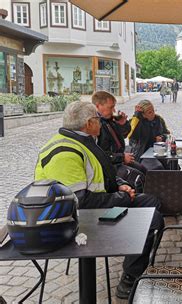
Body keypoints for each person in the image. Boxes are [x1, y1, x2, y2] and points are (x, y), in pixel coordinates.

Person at [34, 101, 164, 299]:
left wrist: (119, 184)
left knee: (151, 203)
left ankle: (135, 265)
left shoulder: (83, 141)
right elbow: (79, 202)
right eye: (98, 118)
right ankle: (130, 277)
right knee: (151, 219)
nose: (101, 123)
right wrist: (120, 197)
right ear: (88, 123)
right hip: (77, 221)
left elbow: (101, 174)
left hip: (96, 208)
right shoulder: (65, 151)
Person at [92, 91, 147, 191]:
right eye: (110, 107)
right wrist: (121, 157)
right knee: (137, 178)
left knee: (143, 170)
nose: (113, 110)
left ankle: (146, 200)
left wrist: (123, 124)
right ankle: (137, 202)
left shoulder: (109, 119)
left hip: (118, 160)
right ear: (98, 106)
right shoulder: (95, 125)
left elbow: (124, 135)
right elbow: (98, 154)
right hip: (108, 166)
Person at [128, 100, 170, 170]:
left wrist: (162, 137)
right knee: (157, 167)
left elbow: (166, 133)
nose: (153, 113)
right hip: (142, 154)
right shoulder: (135, 121)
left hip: (159, 151)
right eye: (150, 112)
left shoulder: (158, 119)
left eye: (153, 110)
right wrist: (137, 115)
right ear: (143, 114)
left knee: (172, 164)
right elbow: (132, 135)